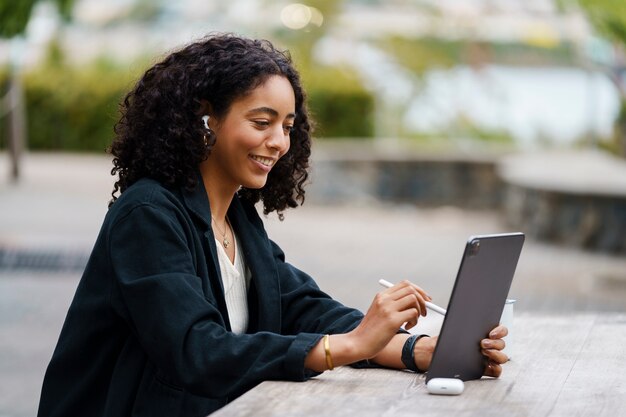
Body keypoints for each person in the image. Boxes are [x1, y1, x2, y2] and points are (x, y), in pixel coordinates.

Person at [37, 34, 508, 417]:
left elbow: (305, 308)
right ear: (205, 120)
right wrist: (347, 346)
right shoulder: (148, 216)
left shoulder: (237, 216)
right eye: (262, 122)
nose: (279, 142)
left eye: (287, 125)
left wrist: (419, 349)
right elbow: (197, 350)